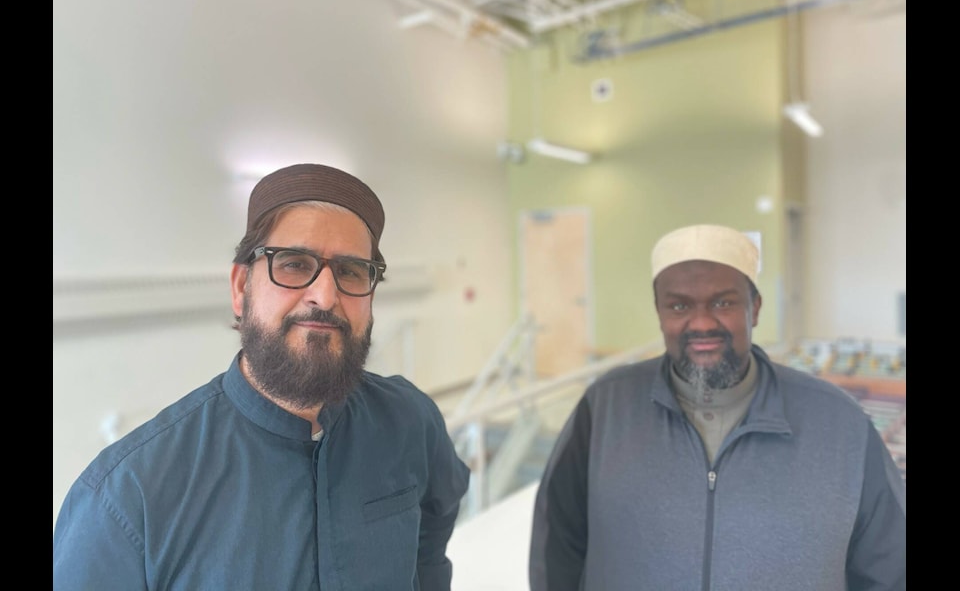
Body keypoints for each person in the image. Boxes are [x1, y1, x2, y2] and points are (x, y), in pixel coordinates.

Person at [53, 163, 471, 590]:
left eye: (350, 271)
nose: (325, 295)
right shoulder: (125, 500)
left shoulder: (410, 421)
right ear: (240, 287)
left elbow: (432, 537)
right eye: (292, 264)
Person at [529, 224, 906, 591]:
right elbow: (556, 552)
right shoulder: (605, 410)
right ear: (660, 313)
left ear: (754, 309)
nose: (703, 322)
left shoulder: (839, 424)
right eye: (679, 305)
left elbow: (891, 568)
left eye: (723, 302)